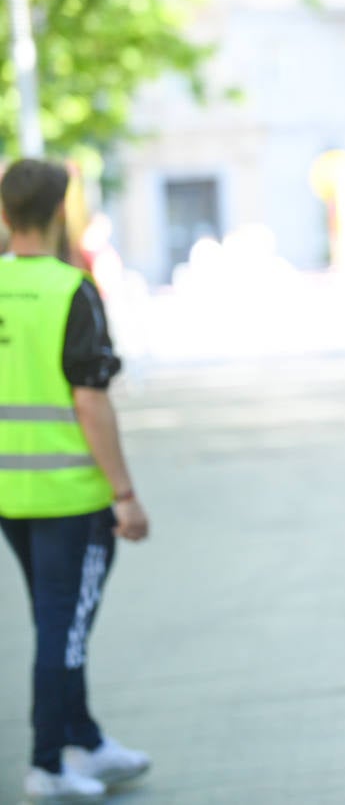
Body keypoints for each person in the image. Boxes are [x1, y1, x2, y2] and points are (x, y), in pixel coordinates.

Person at [0, 159, 152, 804]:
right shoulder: (71, 291)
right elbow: (91, 402)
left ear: (5, 215)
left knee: (56, 621)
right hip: (72, 496)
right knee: (63, 629)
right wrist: (124, 494)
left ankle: (86, 741)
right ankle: (46, 763)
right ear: (61, 212)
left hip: (11, 494)